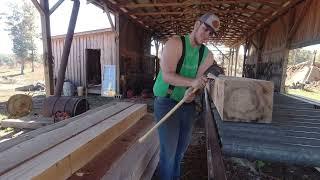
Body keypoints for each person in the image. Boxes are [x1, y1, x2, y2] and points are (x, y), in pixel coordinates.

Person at [152, 13, 221, 179]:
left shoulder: (207, 55)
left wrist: (193, 92)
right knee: (168, 153)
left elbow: (197, 81)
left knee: (180, 151)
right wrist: (192, 83)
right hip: (166, 102)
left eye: (211, 34)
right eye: (205, 30)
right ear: (197, 24)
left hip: (187, 105)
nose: (207, 36)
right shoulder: (175, 43)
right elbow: (168, 75)